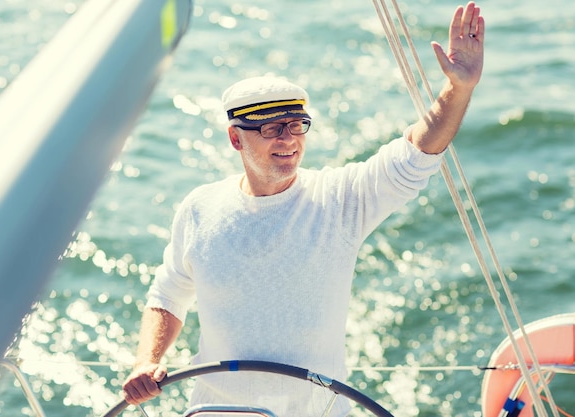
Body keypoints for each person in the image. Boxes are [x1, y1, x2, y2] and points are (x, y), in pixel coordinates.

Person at [123, 2, 484, 416]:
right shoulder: (199, 208)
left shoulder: (339, 199)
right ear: (236, 139)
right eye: (271, 128)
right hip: (217, 411)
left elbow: (415, 154)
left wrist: (458, 89)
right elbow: (169, 294)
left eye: (297, 125)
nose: (289, 139)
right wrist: (146, 360)